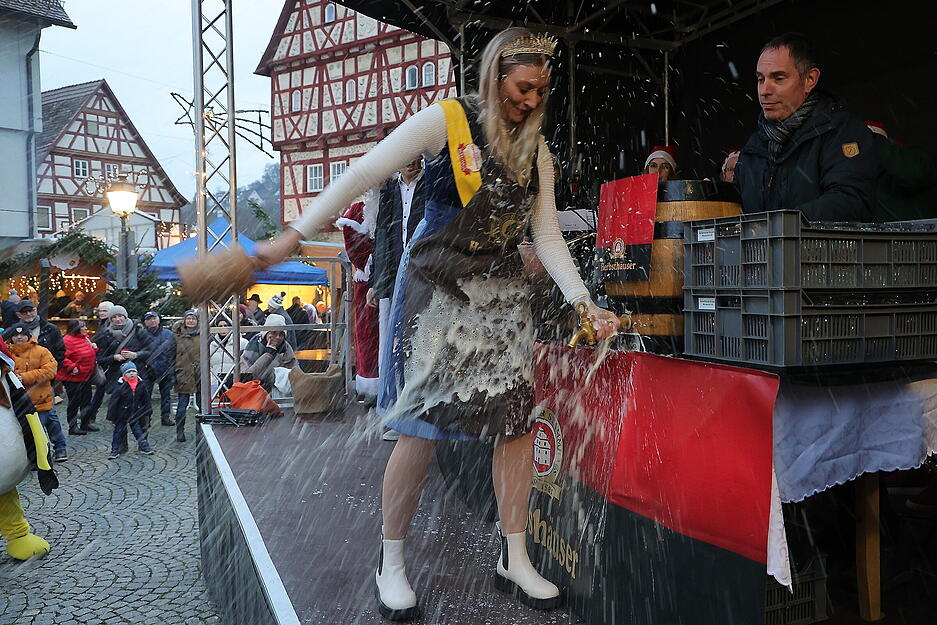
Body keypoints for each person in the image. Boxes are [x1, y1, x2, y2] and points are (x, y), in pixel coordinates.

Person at [250, 28, 619, 619]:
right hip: (434, 288)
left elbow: (546, 234)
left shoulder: (537, 150)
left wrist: (581, 301)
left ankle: (513, 556)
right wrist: (295, 234)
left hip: (499, 293)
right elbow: (362, 174)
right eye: (524, 88)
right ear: (496, 75)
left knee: (516, 422)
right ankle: (390, 560)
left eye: (541, 92)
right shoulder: (444, 121)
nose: (531, 101)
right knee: (420, 428)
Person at [734, 33, 875, 221]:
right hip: (765, 251)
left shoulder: (842, 132)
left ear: (810, 79)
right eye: (761, 79)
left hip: (827, 251)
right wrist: (713, 196)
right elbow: (738, 208)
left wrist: (782, 225)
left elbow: (852, 201)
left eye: (778, 78)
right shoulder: (754, 146)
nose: (764, 91)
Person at [338, 196, 380, 399]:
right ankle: (371, 384)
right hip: (367, 282)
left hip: (389, 277)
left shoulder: (394, 200)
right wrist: (374, 267)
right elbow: (355, 249)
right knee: (368, 334)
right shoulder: (357, 210)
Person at [6, 324, 67, 462]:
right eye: (16, 335)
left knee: (42, 428)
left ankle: (53, 452)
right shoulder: (6, 354)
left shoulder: (42, 351)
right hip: (16, 402)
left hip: (40, 399)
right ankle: (34, 457)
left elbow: (50, 371)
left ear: (28, 336)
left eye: (22, 335)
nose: (19, 337)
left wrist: (24, 377)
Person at [94, 305, 152, 439]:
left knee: (141, 409)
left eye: (120, 316)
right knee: (120, 413)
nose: (118, 319)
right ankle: (121, 444)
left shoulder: (138, 330)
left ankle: (143, 442)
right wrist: (114, 357)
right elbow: (100, 359)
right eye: (114, 317)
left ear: (125, 316)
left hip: (138, 375)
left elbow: (150, 351)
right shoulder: (106, 334)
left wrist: (135, 355)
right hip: (117, 378)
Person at [866, 122, 937, 221]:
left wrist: (874, 139)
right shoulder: (850, 169)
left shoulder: (915, 159)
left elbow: (914, 174)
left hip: (915, 233)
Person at [56, 319, 99, 436]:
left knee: (86, 401)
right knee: (74, 403)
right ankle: (73, 427)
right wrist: (72, 366)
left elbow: (87, 352)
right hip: (72, 378)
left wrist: (94, 349)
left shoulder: (84, 338)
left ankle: (85, 423)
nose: (85, 328)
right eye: (83, 326)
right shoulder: (67, 340)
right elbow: (62, 357)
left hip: (85, 376)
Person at [106, 361, 153, 460]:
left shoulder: (141, 384)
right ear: (124, 374)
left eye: (133, 371)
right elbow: (113, 402)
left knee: (138, 431)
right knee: (118, 432)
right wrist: (111, 415)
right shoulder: (120, 386)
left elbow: (146, 399)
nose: (131, 374)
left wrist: (148, 410)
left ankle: (145, 447)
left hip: (135, 412)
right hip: (121, 414)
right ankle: (114, 450)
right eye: (128, 372)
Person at [239, 314, 298, 391]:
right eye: (274, 333)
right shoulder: (254, 346)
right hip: (254, 394)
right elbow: (247, 376)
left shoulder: (287, 349)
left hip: (278, 396)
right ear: (266, 333)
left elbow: (295, 376)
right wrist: (268, 354)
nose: (277, 337)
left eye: (281, 334)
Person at [140, 311, 176, 428]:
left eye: (154, 318)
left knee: (166, 396)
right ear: (145, 322)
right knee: (146, 396)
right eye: (149, 319)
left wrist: (171, 365)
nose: (152, 321)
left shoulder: (168, 334)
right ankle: (146, 418)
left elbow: (174, 350)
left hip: (165, 368)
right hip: (147, 369)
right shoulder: (141, 334)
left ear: (159, 319)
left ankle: (165, 417)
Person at [172, 310, 200, 442]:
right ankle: (180, 431)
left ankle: (202, 430)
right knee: (182, 404)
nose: (190, 321)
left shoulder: (203, 335)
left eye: (193, 319)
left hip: (200, 372)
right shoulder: (177, 335)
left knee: (202, 404)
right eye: (188, 318)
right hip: (183, 372)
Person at [10, 300, 65, 366]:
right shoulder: (13, 331)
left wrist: (53, 368)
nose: (28, 314)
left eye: (31, 310)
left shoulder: (51, 329)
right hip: (22, 372)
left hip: (47, 371)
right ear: (18, 315)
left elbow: (60, 352)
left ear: (36, 310)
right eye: (24, 312)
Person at [85, 300, 114, 424]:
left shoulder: (110, 326)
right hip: (103, 360)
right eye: (100, 310)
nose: (101, 313)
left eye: (104, 311)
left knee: (106, 389)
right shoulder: (102, 324)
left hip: (109, 361)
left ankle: (95, 414)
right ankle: (93, 414)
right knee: (101, 389)